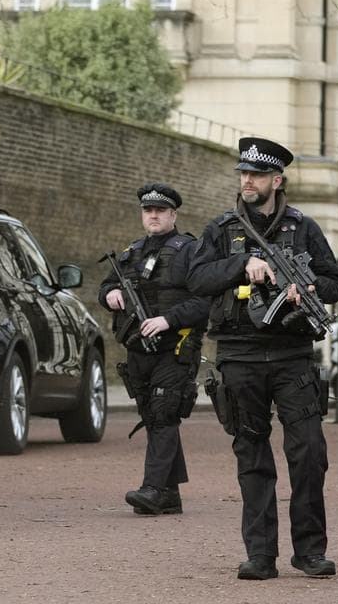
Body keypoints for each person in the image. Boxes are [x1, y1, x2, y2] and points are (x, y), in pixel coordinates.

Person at [187, 138, 338, 581]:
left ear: (277, 180)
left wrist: (309, 287)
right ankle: (260, 555)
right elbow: (196, 279)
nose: (247, 181)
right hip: (239, 355)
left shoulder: (304, 227)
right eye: (243, 174)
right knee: (252, 455)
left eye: (255, 175)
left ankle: (310, 551)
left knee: (310, 452)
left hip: (293, 356)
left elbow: (336, 283)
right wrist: (243, 265)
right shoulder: (221, 228)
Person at [98, 183, 209, 516]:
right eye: (148, 211)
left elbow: (205, 301)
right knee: (152, 414)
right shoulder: (132, 252)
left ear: (173, 214)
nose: (154, 216)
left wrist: (167, 320)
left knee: (163, 413)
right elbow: (105, 286)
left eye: (160, 210)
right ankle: (170, 493)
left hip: (175, 346)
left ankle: (153, 488)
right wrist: (110, 295)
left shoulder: (191, 250)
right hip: (138, 349)